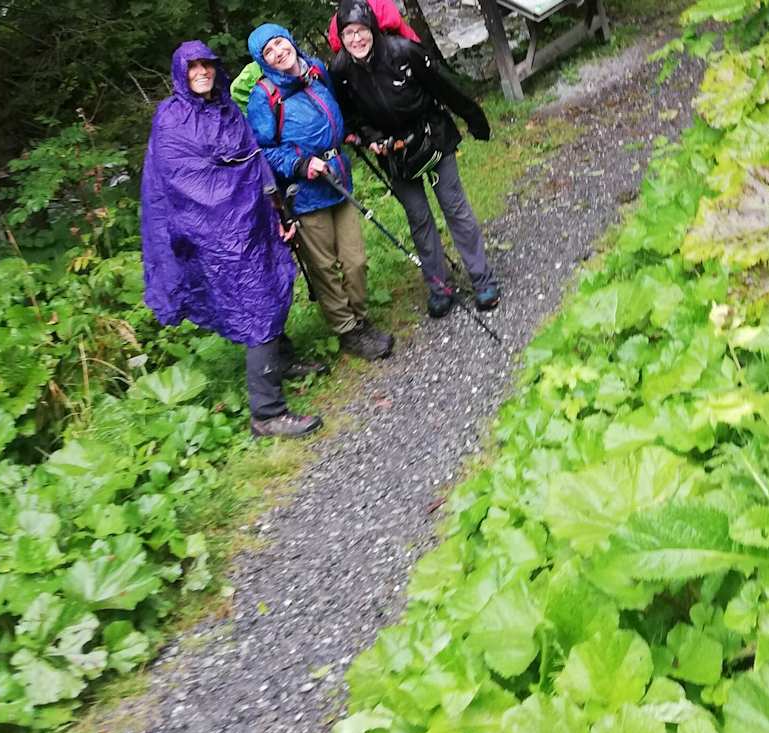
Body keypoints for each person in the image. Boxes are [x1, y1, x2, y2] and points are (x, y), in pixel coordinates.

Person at [141, 40, 323, 438]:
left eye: (207, 65)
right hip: (217, 234)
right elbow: (184, 183)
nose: (202, 72)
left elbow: (253, 161)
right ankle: (267, 413)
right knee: (255, 304)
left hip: (254, 218)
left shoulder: (226, 109)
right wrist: (235, 206)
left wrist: (277, 209)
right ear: (181, 73)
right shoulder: (172, 119)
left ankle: (282, 360)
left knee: (272, 287)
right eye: (194, 67)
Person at [330, 0, 501, 319]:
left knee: (454, 207)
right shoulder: (341, 70)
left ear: (374, 30)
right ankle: (440, 288)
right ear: (341, 37)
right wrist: (370, 139)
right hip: (394, 155)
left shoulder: (404, 52)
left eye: (362, 31)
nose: (357, 39)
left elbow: (444, 87)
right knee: (419, 218)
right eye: (349, 33)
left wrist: (474, 118)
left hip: (432, 137)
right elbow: (350, 117)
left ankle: (483, 280)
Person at [247, 23, 394, 360]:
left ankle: (359, 317)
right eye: (268, 52)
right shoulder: (264, 95)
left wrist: (350, 135)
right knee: (325, 267)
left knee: (355, 260)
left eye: (280, 43)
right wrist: (301, 164)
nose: (278, 52)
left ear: (291, 41)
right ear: (262, 60)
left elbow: (334, 112)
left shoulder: (315, 70)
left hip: (338, 178)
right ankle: (347, 330)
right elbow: (264, 150)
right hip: (307, 191)